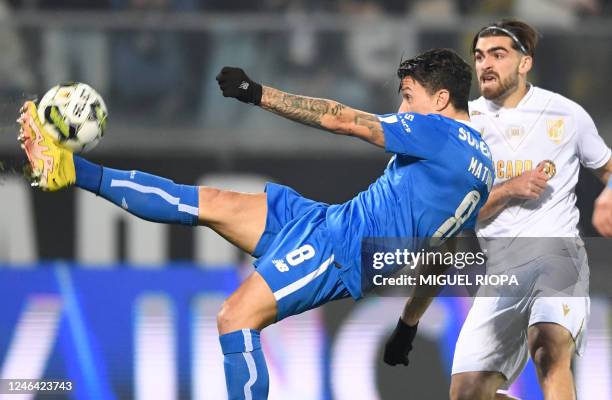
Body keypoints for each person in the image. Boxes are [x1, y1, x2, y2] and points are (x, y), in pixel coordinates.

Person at [18, 48, 492, 399]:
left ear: (443, 97)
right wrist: (408, 325)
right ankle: (68, 169)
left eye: (409, 98)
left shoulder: (437, 130)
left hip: (345, 247)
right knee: (207, 201)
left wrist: (256, 93)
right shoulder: (482, 169)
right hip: (332, 222)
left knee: (235, 317)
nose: (403, 110)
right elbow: (443, 253)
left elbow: (345, 119)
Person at [383, 19, 612, 400]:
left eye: (498, 54)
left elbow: (609, 167)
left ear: (525, 63)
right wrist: (510, 190)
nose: (485, 64)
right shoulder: (464, 127)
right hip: (499, 273)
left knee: (549, 347)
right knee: (468, 394)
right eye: (479, 56)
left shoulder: (567, 115)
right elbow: (455, 219)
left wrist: (608, 194)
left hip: (557, 255)